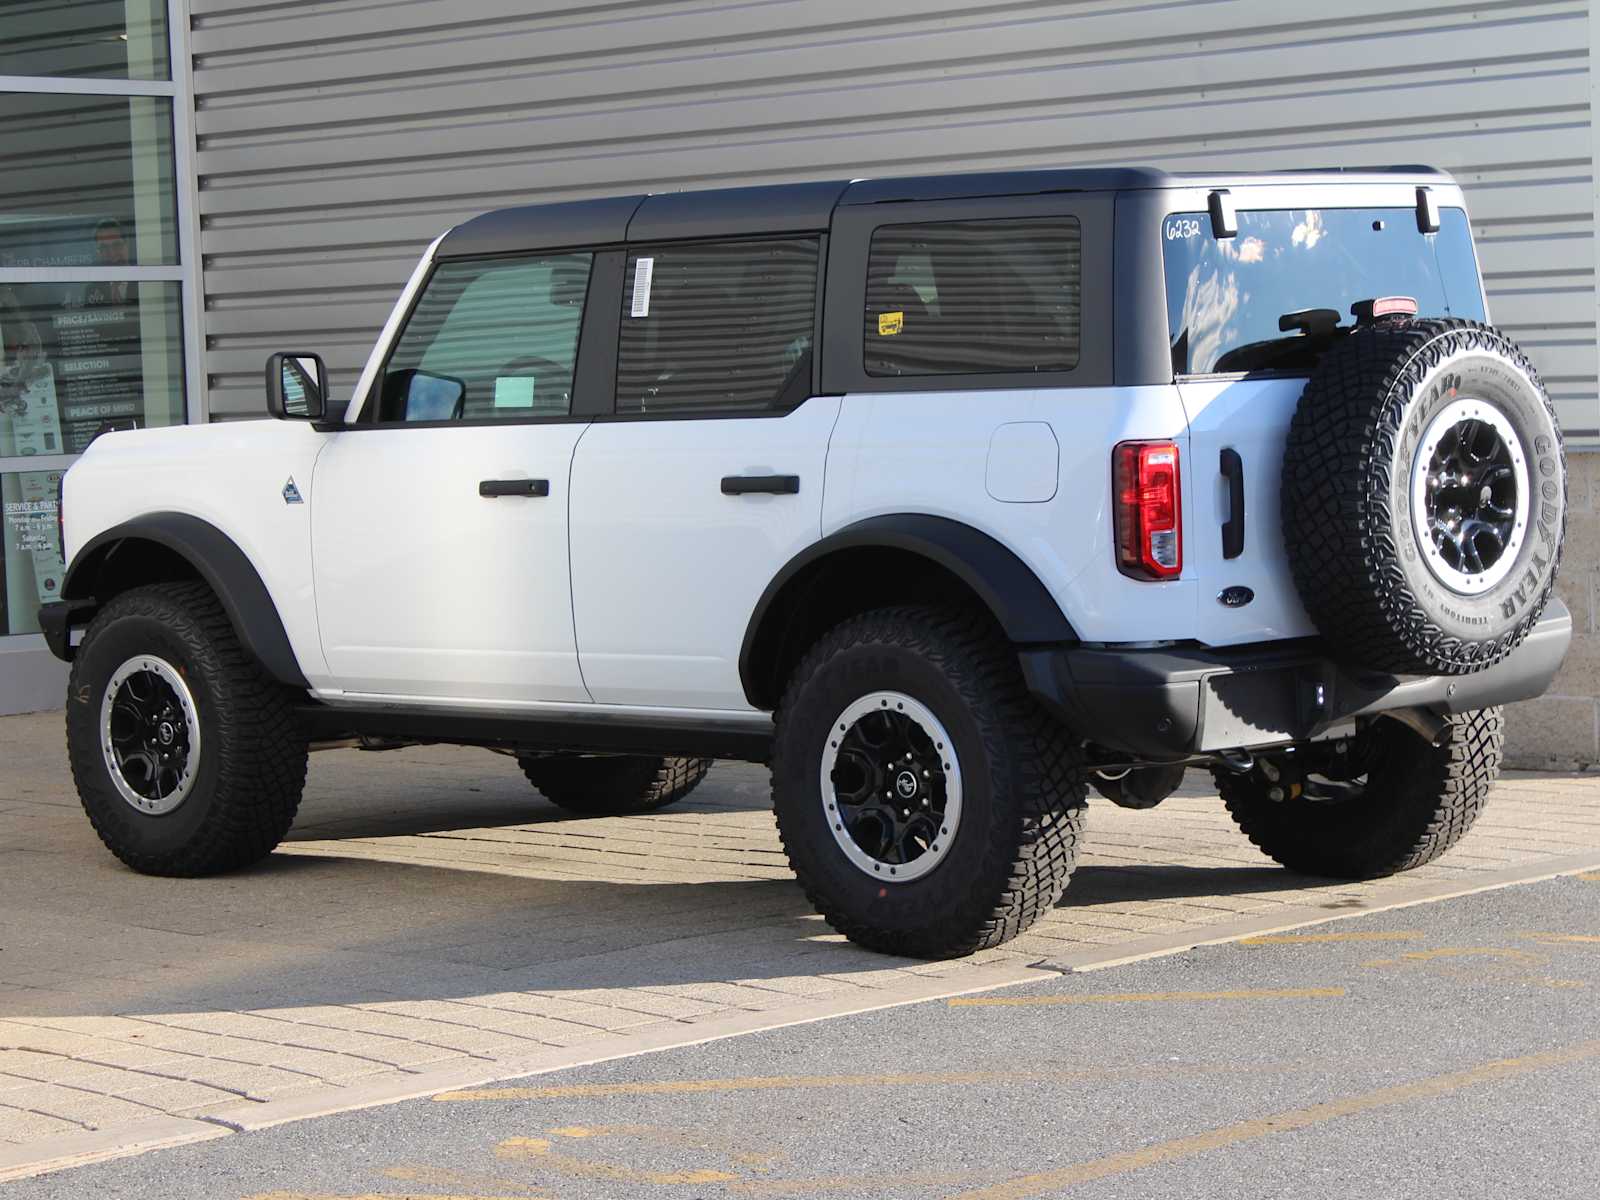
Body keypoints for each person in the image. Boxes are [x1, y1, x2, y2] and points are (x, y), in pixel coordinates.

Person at [81, 219, 137, 307]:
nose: (112, 254)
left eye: (117, 245)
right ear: (98, 252)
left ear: (127, 245)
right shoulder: (92, 290)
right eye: (104, 247)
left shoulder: (143, 283)